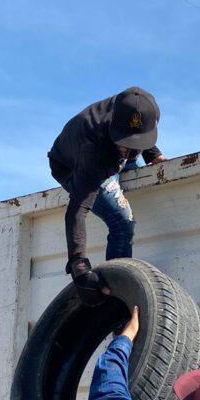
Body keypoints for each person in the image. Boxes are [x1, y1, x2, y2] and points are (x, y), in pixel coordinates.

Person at [48, 87, 166, 304]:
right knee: (123, 223)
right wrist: (79, 266)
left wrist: (153, 154)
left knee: (137, 161)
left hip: (110, 146)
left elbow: (139, 128)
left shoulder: (137, 105)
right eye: (127, 146)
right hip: (73, 165)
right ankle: (118, 296)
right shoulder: (94, 153)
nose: (131, 152)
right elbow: (77, 210)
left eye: (137, 145)